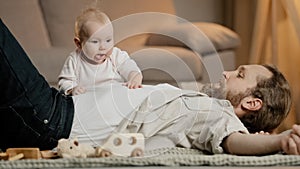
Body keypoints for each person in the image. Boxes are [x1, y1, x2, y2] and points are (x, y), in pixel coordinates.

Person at [0, 18, 300, 155]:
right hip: (54, 109)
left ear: (251, 103)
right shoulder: (199, 101)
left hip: (53, 118)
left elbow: (234, 141)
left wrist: (278, 141)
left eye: (240, 74)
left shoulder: (217, 114)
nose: (226, 71)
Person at [58, 8, 143, 95]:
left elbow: (129, 67)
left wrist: (134, 77)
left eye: (108, 40)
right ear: (79, 44)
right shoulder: (74, 60)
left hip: (115, 96)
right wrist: (72, 89)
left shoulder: (116, 55)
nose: (103, 47)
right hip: (90, 100)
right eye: (95, 41)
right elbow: (64, 82)